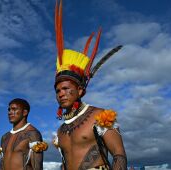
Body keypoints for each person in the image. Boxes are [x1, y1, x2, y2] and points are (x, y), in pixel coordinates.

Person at [53, 1, 127, 170]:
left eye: (65, 89)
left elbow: (119, 154)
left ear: (80, 90)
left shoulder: (100, 116)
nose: (61, 94)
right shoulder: (61, 131)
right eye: (57, 90)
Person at [0, 98, 47, 170]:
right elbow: (1, 165)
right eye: (9, 110)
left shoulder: (33, 134)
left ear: (24, 112)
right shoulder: (5, 137)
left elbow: (37, 167)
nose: (10, 112)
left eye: (14, 109)